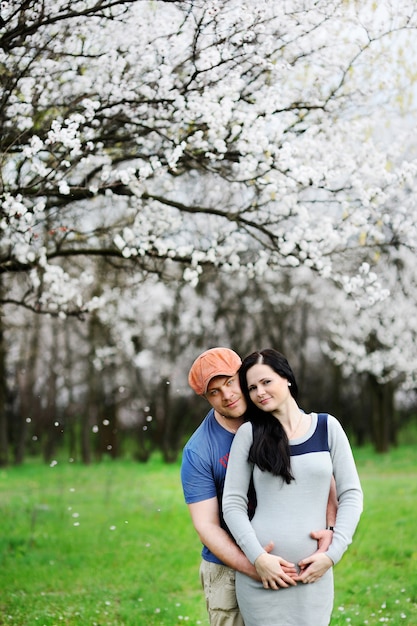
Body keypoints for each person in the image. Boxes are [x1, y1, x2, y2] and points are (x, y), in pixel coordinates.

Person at [181, 347, 337, 626]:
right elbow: (206, 526)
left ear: (242, 376)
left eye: (230, 382)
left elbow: (321, 476)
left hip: (294, 561)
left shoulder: (275, 410)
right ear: (205, 398)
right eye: (214, 392)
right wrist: (255, 563)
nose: (227, 395)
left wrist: (330, 530)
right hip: (229, 566)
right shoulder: (199, 450)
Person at [222, 348, 363, 626]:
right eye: (251, 387)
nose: (259, 392)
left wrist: (332, 555)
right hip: (263, 577)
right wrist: (258, 558)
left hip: (314, 575)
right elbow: (232, 504)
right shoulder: (249, 434)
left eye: (266, 382)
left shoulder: (327, 427)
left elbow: (351, 495)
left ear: (286, 378)